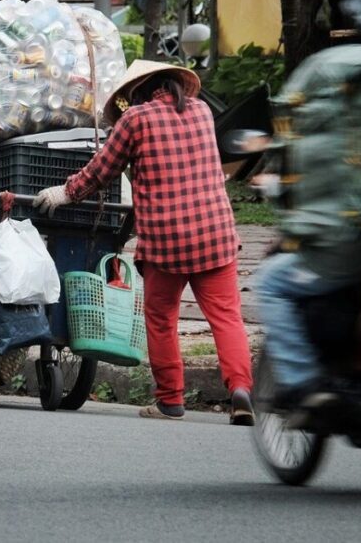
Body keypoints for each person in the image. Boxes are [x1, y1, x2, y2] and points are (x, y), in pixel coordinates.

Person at [34, 61, 254, 425]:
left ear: (140, 90)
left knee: (162, 318)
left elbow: (101, 171)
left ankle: (170, 400)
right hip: (216, 234)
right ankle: (241, 391)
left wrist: (65, 192)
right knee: (227, 318)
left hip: (167, 240)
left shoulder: (135, 119)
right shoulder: (202, 111)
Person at [254, 0, 361, 410]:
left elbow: (295, 151)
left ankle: (304, 383)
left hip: (355, 242)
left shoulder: (329, 72)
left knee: (269, 284)